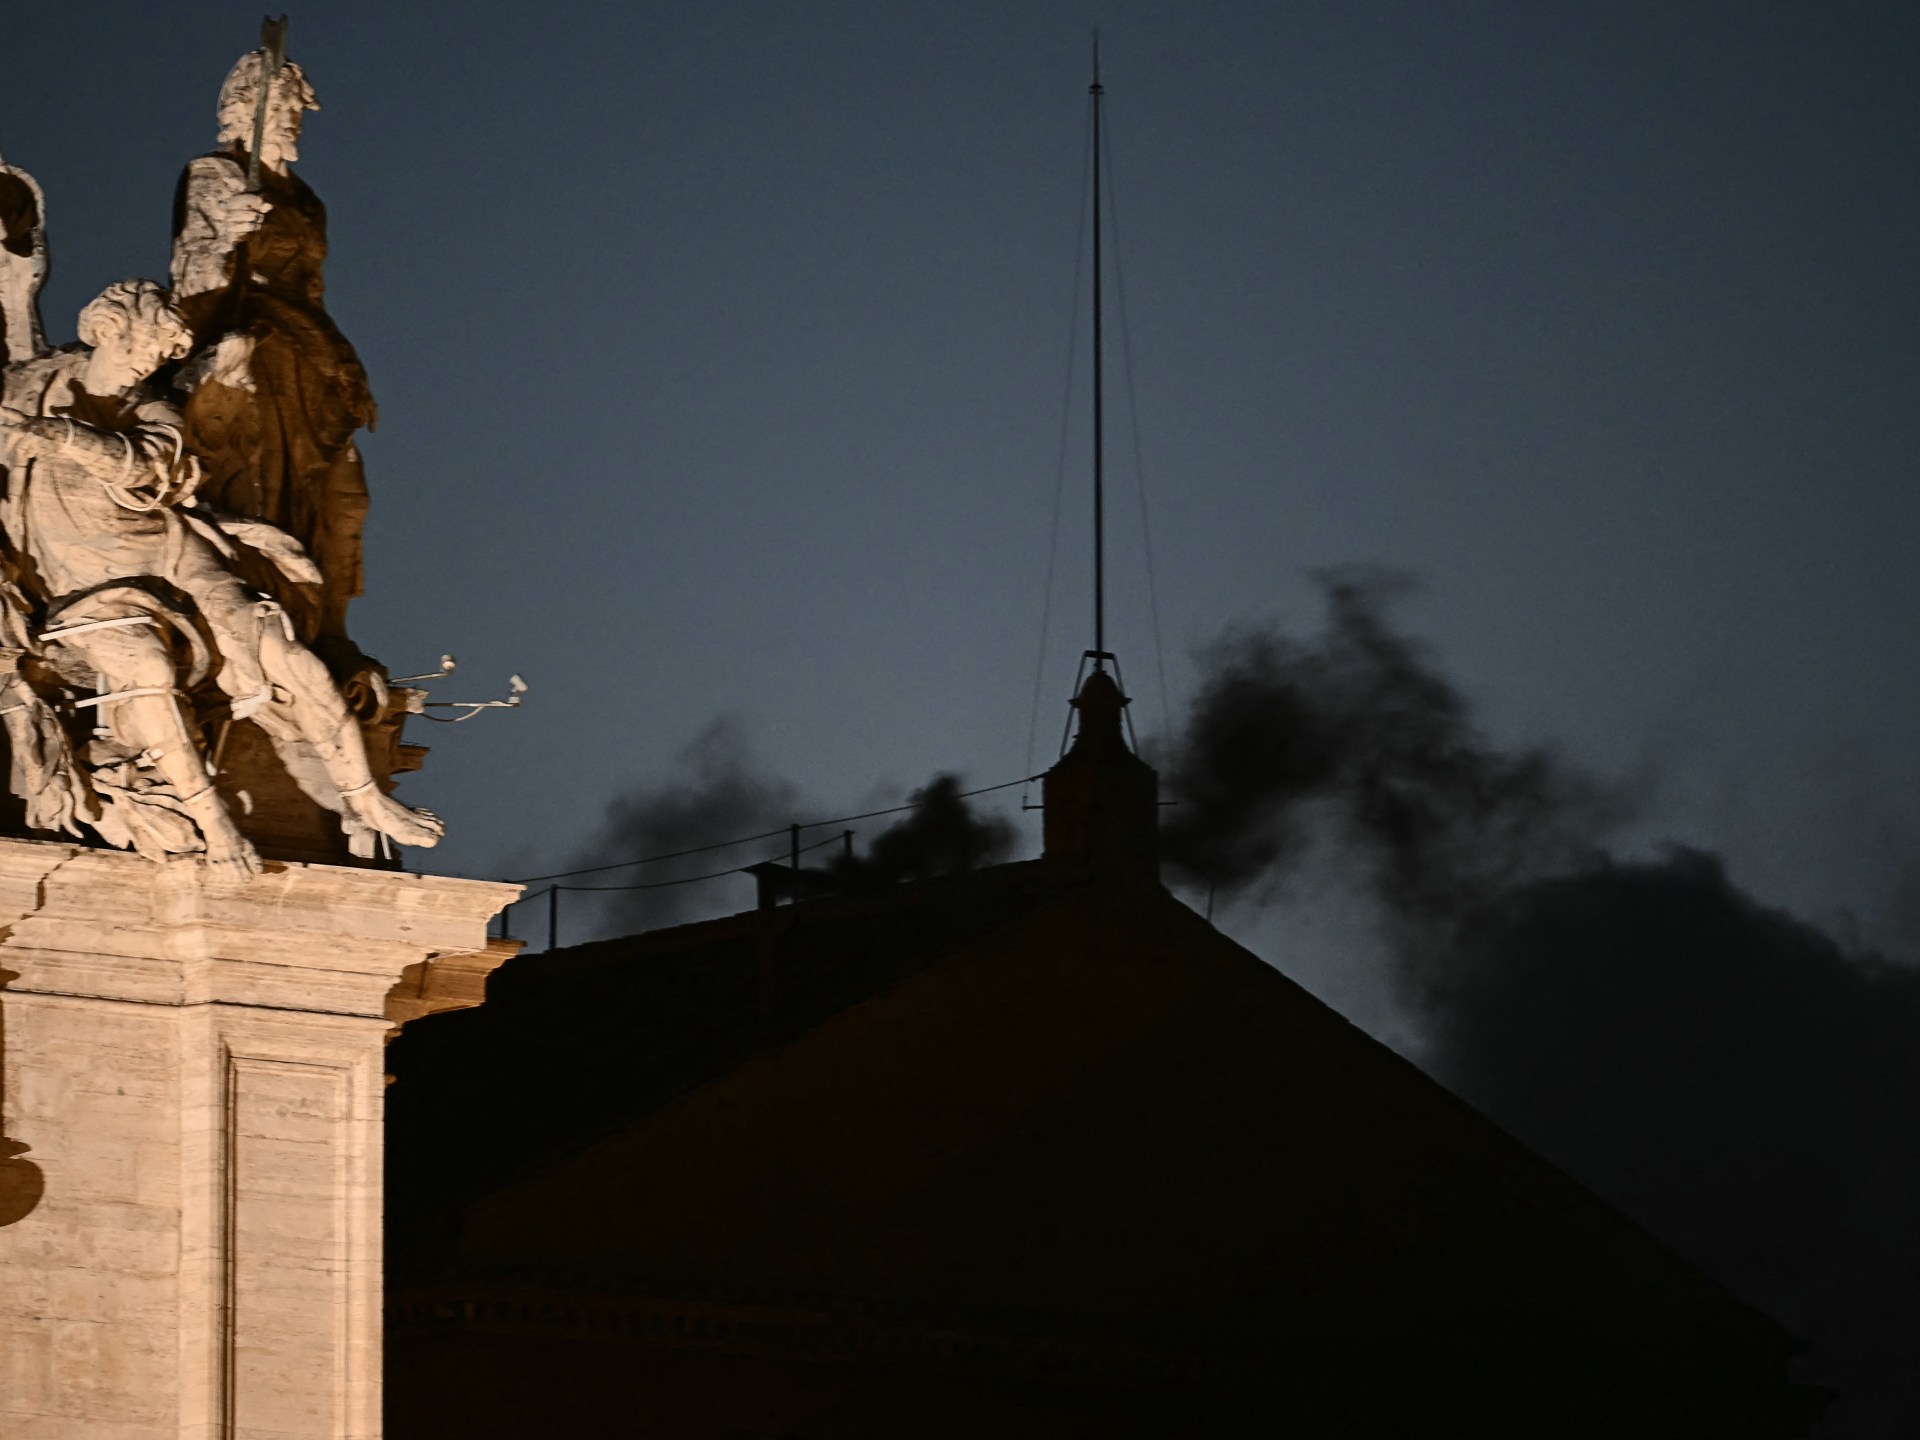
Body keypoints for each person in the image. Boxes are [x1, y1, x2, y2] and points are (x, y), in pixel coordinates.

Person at [0, 280, 440, 876]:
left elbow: (150, 465)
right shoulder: (29, 388)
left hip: (172, 557)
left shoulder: (152, 410)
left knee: (285, 655)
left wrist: (59, 436)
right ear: (106, 331)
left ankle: (366, 798)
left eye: (161, 357)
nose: (150, 366)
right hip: (82, 586)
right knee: (149, 671)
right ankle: (213, 823)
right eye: (146, 351)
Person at [170, 47, 373, 659]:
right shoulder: (213, 173)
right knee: (261, 479)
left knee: (342, 495)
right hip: (252, 340)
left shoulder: (308, 201)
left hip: (310, 350)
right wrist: (225, 238)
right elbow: (190, 273)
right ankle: (266, 606)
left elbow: (313, 286)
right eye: (279, 107)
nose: (290, 120)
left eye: (294, 111)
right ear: (241, 109)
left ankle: (329, 626)